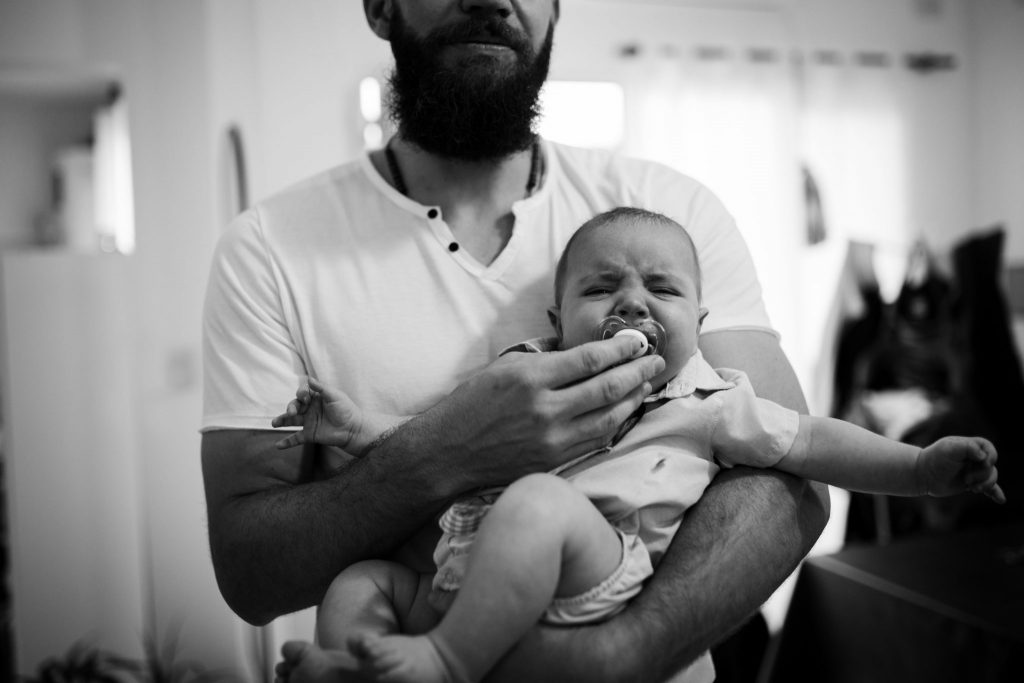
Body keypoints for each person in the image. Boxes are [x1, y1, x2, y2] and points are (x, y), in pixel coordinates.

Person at [200, 1, 831, 681]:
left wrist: (620, 653)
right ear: (381, 6)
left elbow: (791, 477)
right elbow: (249, 569)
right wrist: (447, 450)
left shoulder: (667, 217)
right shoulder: (268, 250)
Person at [268, 208, 1004, 683]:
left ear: (700, 318)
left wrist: (919, 468)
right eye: (602, 287)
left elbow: (811, 441)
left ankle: (445, 661)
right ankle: (352, 668)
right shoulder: (525, 374)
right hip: (460, 570)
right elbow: (431, 438)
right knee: (361, 581)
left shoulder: (707, 398)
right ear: (558, 322)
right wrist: (357, 430)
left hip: (590, 572)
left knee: (537, 503)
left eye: (662, 287)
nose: (633, 301)